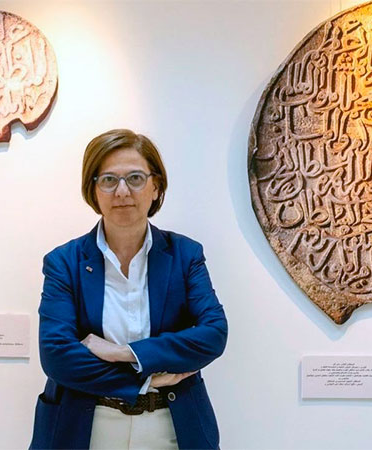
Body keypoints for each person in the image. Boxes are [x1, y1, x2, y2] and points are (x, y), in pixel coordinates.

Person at [29, 129, 228, 450]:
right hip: (84, 426)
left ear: (155, 186)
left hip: (172, 428)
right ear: (93, 190)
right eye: (108, 180)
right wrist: (144, 379)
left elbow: (213, 334)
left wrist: (126, 353)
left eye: (135, 178)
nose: (122, 191)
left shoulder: (185, 255)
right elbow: (56, 355)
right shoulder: (64, 262)